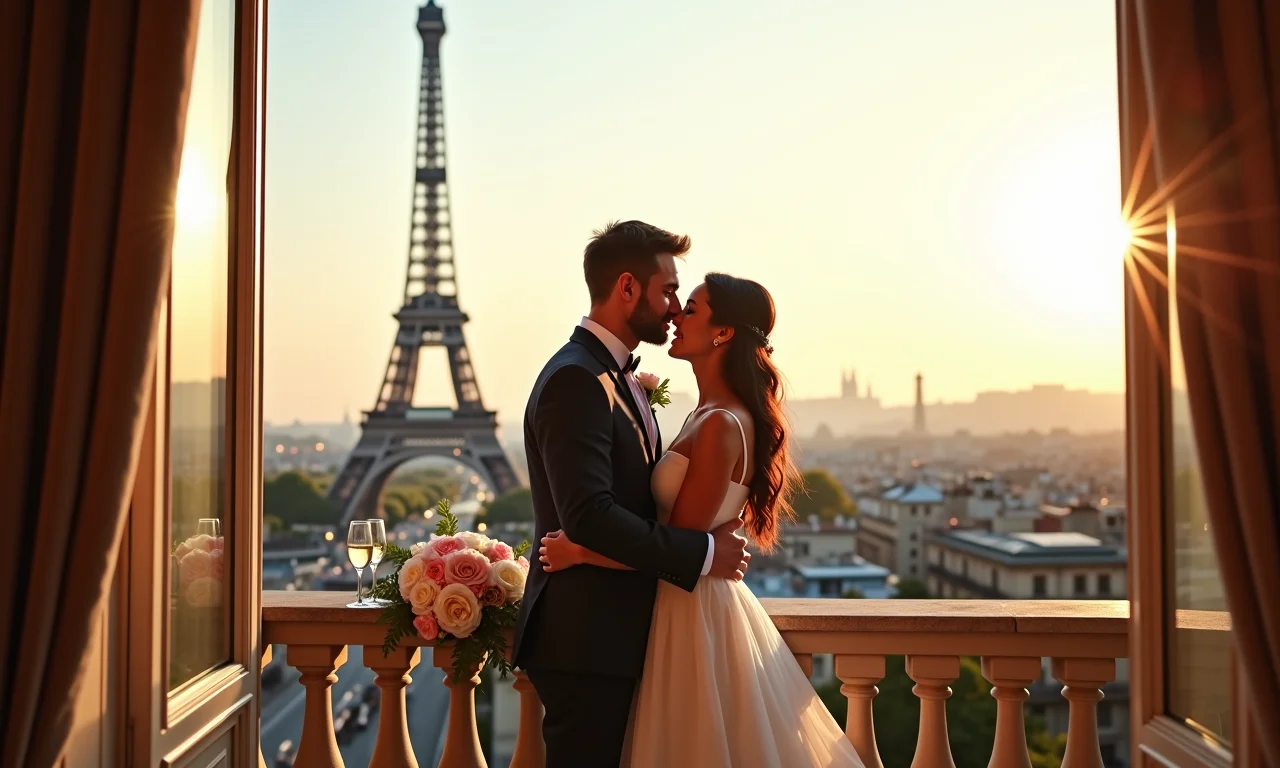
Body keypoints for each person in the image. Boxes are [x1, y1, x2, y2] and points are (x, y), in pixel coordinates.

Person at [539, 272, 866, 767]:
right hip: (687, 600)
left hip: (687, 607)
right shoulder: (709, 414)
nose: (675, 314)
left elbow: (675, 544)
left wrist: (579, 550)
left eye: (690, 308)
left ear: (723, 333)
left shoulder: (718, 424)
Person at [512, 221, 753, 767]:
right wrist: (707, 554)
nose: (674, 307)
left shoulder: (608, 377)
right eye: (668, 290)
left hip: (612, 638)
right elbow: (589, 515)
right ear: (627, 288)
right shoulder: (578, 379)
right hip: (587, 644)